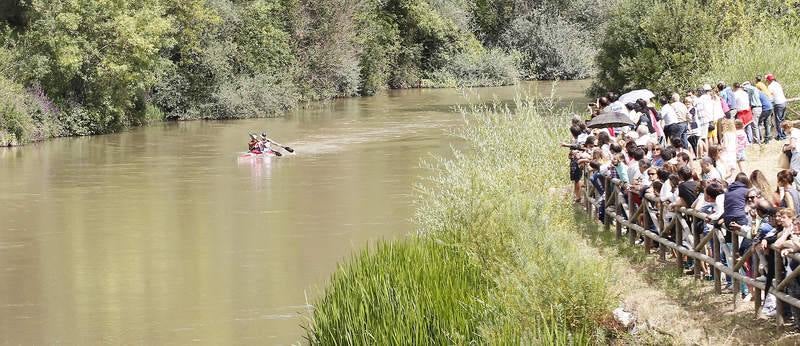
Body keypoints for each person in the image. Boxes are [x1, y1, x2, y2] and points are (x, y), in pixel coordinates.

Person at [767, 74, 788, 140]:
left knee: (778, 121)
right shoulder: (777, 84)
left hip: (778, 104)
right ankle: (784, 134)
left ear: (768, 80)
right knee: (782, 120)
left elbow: (770, 97)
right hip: (784, 102)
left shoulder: (770, 86)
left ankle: (780, 136)